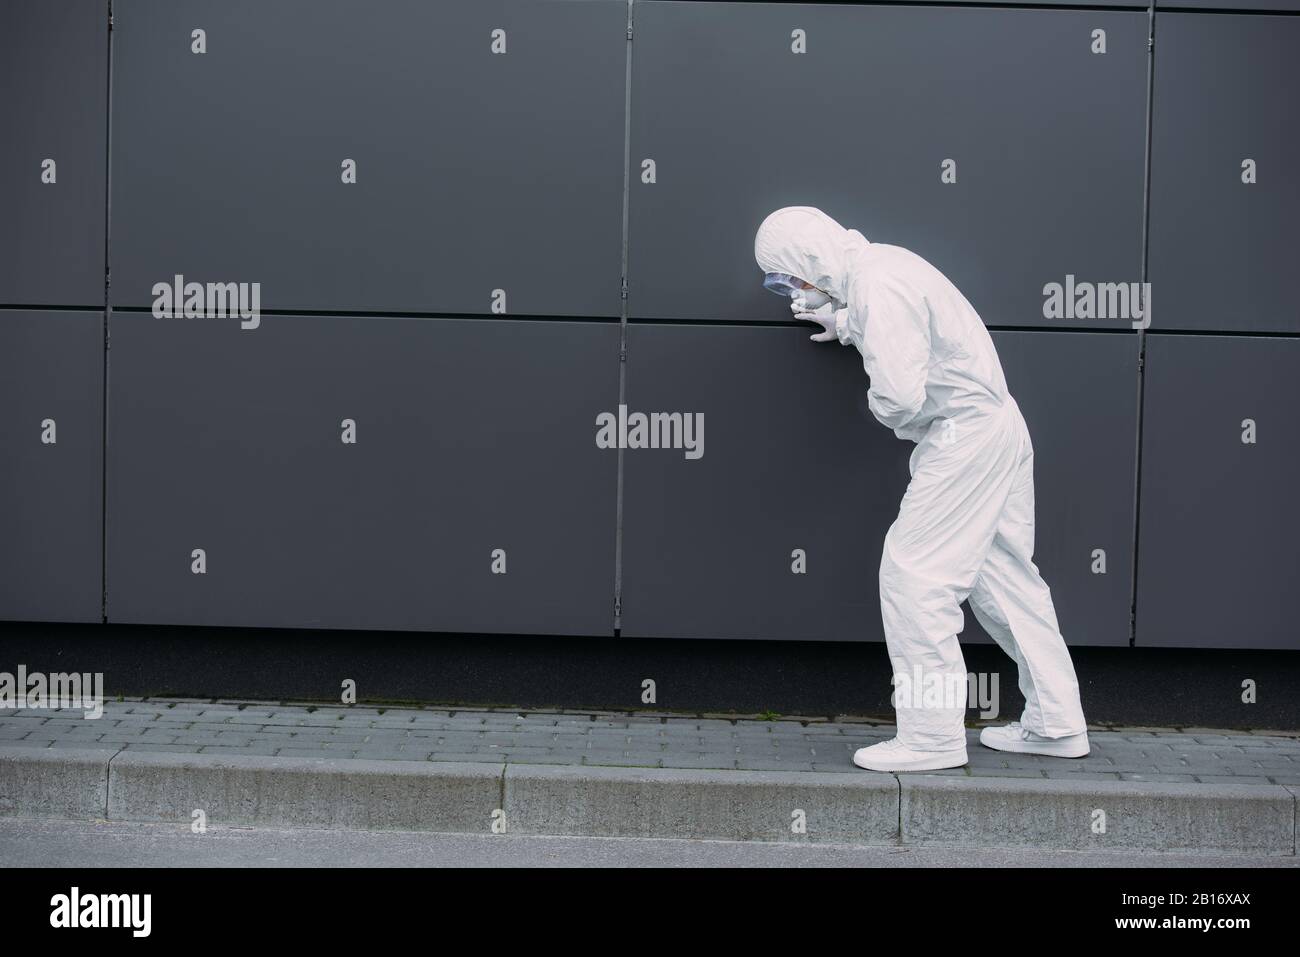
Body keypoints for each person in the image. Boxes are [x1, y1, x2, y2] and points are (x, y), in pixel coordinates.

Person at [754, 206, 1090, 772]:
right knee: (1006, 582)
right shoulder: (885, 269)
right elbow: (916, 334)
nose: (791, 287)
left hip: (962, 438)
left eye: (785, 274)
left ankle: (931, 737)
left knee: (915, 578)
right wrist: (846, 323)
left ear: (803, 257)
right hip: (996, 428)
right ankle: (1056, 723)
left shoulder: (876, 285)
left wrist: (875, 385)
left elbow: (901, 395)